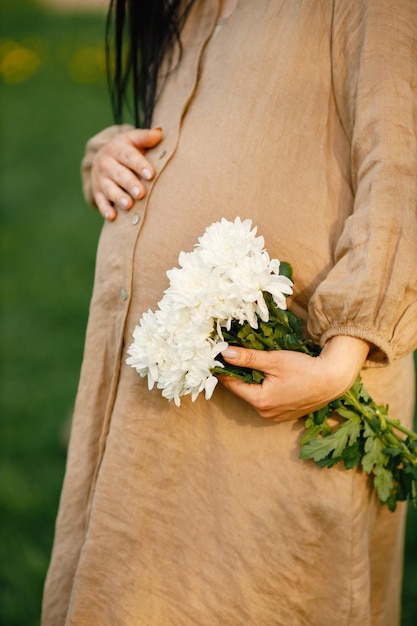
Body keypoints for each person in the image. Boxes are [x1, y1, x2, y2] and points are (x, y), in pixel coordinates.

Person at [42, 1, 417, 624]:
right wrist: (105, 156)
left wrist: (339, 361)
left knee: (257, 594)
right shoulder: (188, 7)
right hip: (155, 407)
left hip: (288, 398)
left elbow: (401, 167)